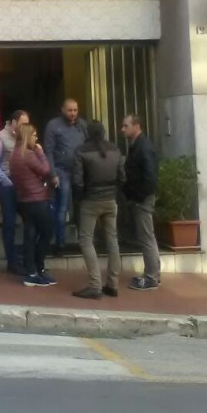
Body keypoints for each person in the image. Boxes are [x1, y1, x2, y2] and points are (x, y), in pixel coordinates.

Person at [71, 120, 124, 300]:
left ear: (88, 133)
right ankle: (112, 284)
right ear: (103, 132)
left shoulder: (81, 151)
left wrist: (79, 198)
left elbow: (77, 181)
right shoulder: (115, 149)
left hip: (91, 200)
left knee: (86, 240)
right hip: (110, 199)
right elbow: (122, 176)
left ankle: (95, 285)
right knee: (112, 240)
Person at [9, 123, 56, 288]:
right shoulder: (28, 154)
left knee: (30, 234)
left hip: (24, 200)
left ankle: (32, 272)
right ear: (28, 136)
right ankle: (38, 267)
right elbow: (45, 170)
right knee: (46, 232)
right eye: (34, 135)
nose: (36, 138)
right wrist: (41, 153)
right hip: (37, 199)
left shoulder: (14, 155)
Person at [0, 110, 28, 275]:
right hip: (6, 184)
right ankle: (12, 261)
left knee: (30, 219)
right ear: (13, 122)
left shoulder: (24, 137)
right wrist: (7, 182)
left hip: (23, 184)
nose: (26, 127)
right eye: (23, 124)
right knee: (10, 222)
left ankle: (27, 258)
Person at [121, 114, 160, 291]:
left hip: (143, 199)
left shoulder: (143, 147)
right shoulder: (137, 146)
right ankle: (152, 274)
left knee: (147, 237)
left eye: (125, 126)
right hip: (140, 198)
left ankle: (152, 277)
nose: (122, 129)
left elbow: (150, 178)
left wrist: (138, 197)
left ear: (136, 126)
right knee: (146, 236)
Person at [42, 98, 86, 255]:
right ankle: (60, 244)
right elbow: (48, 151)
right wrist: (53, 174)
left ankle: (84, 242)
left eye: (75, 110)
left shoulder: (82, 125)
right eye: (70, 110)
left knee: (82, 208)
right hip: (61, 172)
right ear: (62, 110)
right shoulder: (53, 126)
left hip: (79, 172)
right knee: (62, 207)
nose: (73, 113)